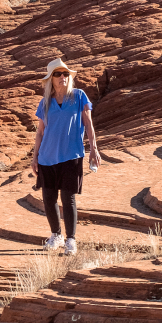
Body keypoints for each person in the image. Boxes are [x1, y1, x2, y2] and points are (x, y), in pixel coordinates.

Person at [31, 58, 101, 255]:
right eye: (58, 74)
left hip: (71, 155)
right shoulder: (45, 102)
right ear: (50, 79)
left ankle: (71, 240)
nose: (63, 77)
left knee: (68, 198)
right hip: (46, 156)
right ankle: (56, 235)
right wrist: (34, 156)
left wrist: (94, 149)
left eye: (65, 74)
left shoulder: (79, 96)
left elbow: (88, 124)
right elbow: (40, 132)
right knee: (49, 198)